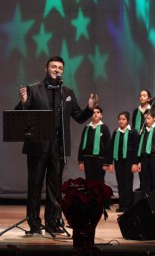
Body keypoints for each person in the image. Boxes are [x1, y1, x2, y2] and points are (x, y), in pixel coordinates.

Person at [16, 56, 97, 234]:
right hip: (37, 146)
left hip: (58, 146)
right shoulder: (33, 89)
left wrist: (89, 109)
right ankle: (34, 223)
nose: (57, 70)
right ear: (46, 69)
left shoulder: (67, 92)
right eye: (53, 67)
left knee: (55, 187)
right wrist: (23, 103)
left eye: (60, 68)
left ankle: (52, 222)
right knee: (35, 185)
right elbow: (19, 115)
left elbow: (78, 117)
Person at [107, 111, 139, 212]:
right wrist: (110, 162)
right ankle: (122, 204)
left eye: (123, 119)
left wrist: (135, 163)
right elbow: (111, 148)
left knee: (128, 183)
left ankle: (128, 205)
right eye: (120, 119)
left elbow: (136, 148)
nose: (121, 121)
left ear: (127, 120)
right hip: (118, 161)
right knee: (120, 183)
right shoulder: (116, 132)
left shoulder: (132, 132)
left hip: (129, 161)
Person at [77, 106, 111, 181]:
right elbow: (82, 145)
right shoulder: (86, 128)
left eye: (98, 112)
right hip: (87, 159)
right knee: (89, 181)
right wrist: (80, 161)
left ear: (101, 115)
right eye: (93, 112)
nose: (95, 114)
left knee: (99, 181)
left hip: (100, 160)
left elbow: (108, 147)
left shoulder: (104, 128)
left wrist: (106, 163)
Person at [137, 109, 155, 195]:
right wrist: (139, 161)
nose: (146, 121)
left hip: (154, 157)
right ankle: (146, 199)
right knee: (145, 181)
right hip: (144, 157)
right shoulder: (144, 130)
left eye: (148, 118)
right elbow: (142, 145)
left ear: (154, 118)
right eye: (145, 119)